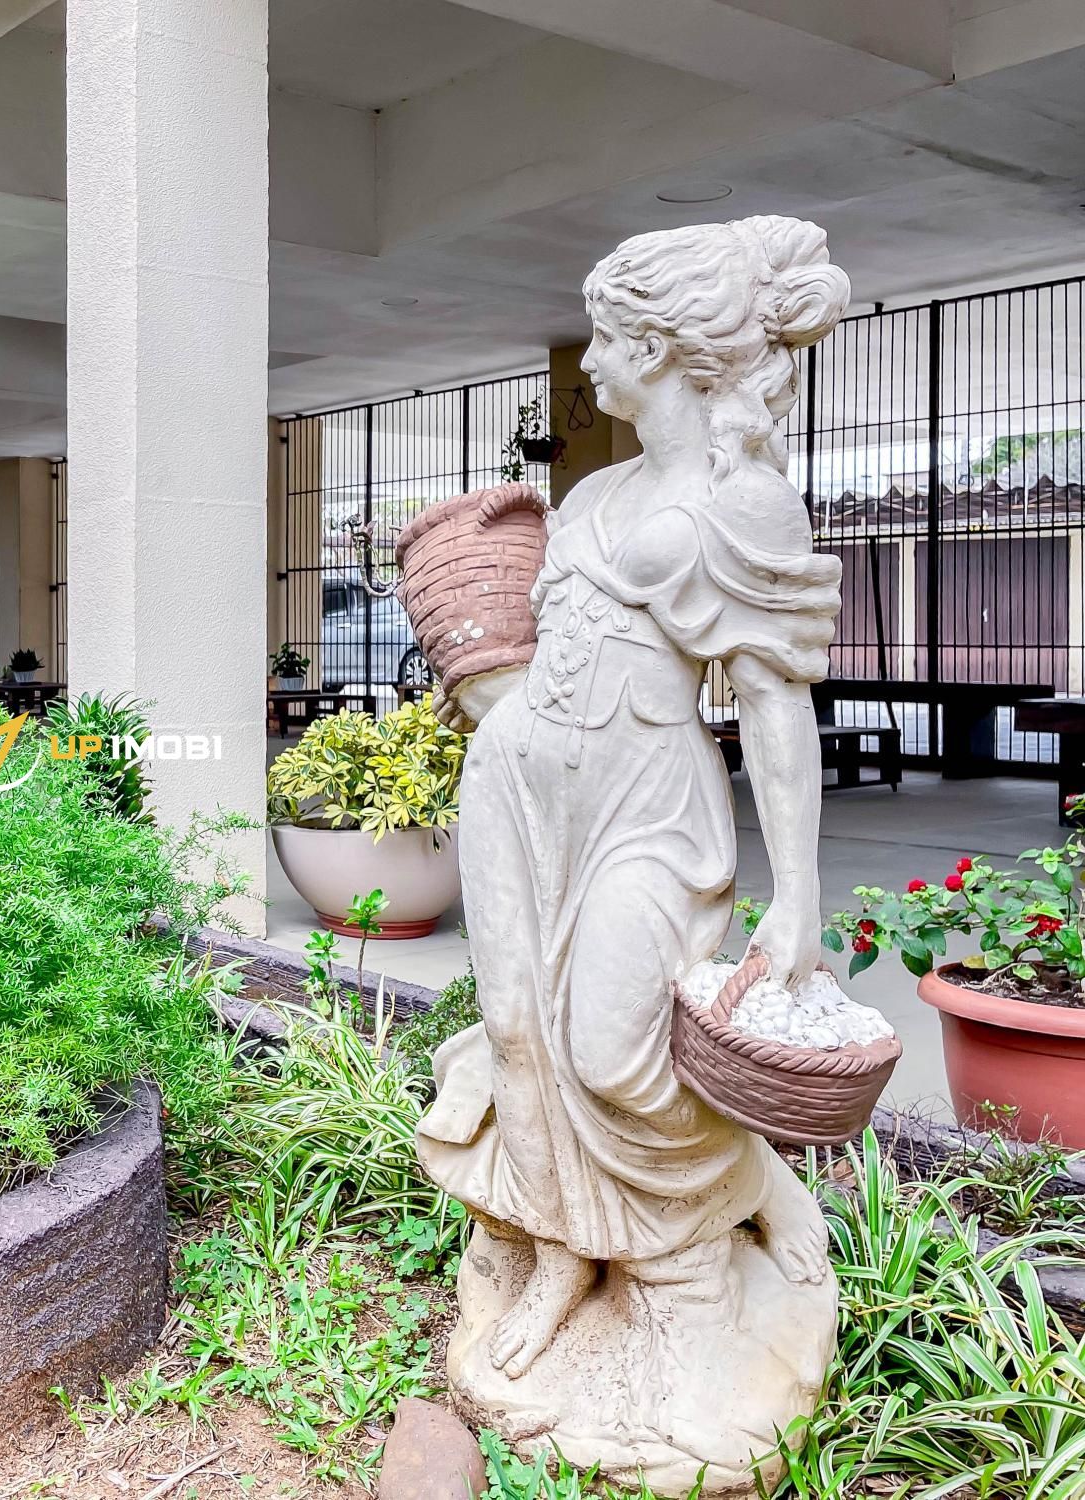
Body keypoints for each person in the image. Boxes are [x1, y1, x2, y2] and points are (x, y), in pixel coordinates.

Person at [417, 216, 850, 1380]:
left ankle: (736, 1196)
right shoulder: (595, 492)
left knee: (613, 1054)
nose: (590, 362)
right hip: (514, 791)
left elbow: (770, 705)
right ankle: (560, 1253)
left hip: (645, 809)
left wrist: (797, 896)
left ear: (657, 347)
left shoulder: (741, 502)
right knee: (517, 1035)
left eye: (604, 338)